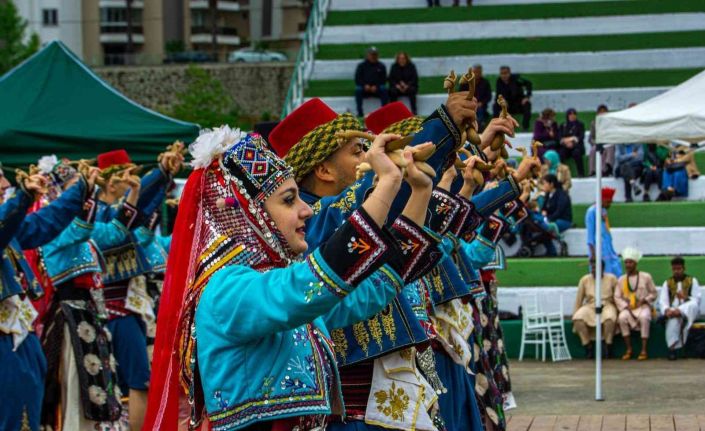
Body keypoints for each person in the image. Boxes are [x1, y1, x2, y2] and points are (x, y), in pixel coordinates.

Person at [145, 129, 411, 430]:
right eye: (288, 200)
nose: (306, 210)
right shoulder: (225, 289)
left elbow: (366, 296)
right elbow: (304, 288)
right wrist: (386, 186)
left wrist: (421, 191)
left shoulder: (272, 281)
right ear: (249, 216)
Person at [39, 161, 139, 430]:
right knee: (75, 386)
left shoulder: (84, 233)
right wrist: (90, 190)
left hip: (91, 317)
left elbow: (118, 231)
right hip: (70, 319)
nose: (78, 194)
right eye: (73, 188)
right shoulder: (54, 232)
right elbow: (80, 226)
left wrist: (135, 191)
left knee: (97, 383)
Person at [0, 166, 90, 431]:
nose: (6, 183)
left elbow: (41, 224)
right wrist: (23, 198)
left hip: (17, 335)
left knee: (26, 414)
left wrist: (80, 190)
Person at [615, 247, 658, 360]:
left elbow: (654, 293)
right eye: (626, 262)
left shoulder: (646, 276)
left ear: (635, 263)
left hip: (643, 306)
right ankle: (629, 349)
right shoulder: (621, 279)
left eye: (630, 262)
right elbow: (617, 297)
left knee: (644, 317)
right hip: (628, 308)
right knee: (621, 317)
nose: (628, 265)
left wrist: (644, 300)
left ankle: (644, 350)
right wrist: (625, 306)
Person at [572, 258, 618, 359]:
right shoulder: (584, 280)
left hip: (607, 305)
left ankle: (607, 346)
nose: (593, 270)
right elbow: (579, 298)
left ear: (602, 268)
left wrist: (619, 311)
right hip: (590, 306)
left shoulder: (612, 278)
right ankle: (588, 346)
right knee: (578, 318)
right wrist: (574, 313)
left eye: (596, 268)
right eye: (592, 268)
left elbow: (617, 297)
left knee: (609, 318)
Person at [657, 256, 702, 360]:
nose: (676, 272)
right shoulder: (667, 283)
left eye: (679, 269)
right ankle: (672, 349)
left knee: (693, 304)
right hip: (673, 311)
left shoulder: (692, 281)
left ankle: (678, 312)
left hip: (690, 311)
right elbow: (663, 301)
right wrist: (666, 310)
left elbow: (697, 299)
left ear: (683, 268)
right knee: (673, 319)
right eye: (674, 269)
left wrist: (685, 298)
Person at [585, 187, 621, 277]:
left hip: (608, 248)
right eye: (608, 202)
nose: (610, 205)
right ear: (602, 200)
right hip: (598, 250)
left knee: (616, 273)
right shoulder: (591, 212)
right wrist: (593, 254)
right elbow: (590, 236)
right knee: (602, 275)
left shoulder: (604, 211)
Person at [540, 174, 572, 256]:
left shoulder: (562, 195)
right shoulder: (548, 195)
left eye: (545, 183)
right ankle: (551, 250)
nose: (543, 186)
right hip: (551, 219)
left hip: (563, 220)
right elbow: (544, 208)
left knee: (549, 227)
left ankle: (554, 249)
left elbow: (559, 211)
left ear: (551, 184)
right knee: (541, 228)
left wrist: (548, 218)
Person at [494, 66, 532, 131]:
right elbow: (498, 94)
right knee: (495, 106)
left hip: (518, 102)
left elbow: (529, 84)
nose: (504, 76)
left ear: (509, 73)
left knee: (527, 105)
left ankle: (525, 127)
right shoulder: (499, 81)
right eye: (502, 74)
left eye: (505, 73)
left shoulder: (516, 79)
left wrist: (527, 97)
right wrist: (502, 101)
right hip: (507, 103)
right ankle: (496, 127)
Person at [354, 47, 388, 117]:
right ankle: (360, 112)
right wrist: (364, 85)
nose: (373, 56)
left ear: (377, 55)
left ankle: (384, 112)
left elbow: (384, 79)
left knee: (384, 89)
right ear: (367, 55)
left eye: (375, 55)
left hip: (377, 88)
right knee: (358, 89)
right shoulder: (361, 66)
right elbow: (358, 78)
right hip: (365, 88)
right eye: (371, 54)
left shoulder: (381, 66)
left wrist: (376, 86)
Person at [588, 105, 615, 177]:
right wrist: (595, 143)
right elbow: (591, 138)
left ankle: (608, 168)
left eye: (604, 111)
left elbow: (613, 135)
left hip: (608, 142)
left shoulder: (611, 123)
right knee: (593, 150)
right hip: (598, 142)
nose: (602, 113)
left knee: (609, 147)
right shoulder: (593, 123)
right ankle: (592, 171)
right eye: (601, 111)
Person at [558, 108, 586, 178]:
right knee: (561, 153)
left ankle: (581, 173)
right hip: (565, 146)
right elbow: (560, 138)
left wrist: (571, 141)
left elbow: (580, 137)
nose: (572, 116)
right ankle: (562, 174)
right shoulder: (563, 125)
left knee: (576, 153)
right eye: (570, 114)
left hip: (577, 146)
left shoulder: (580, 125)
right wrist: (570, 139)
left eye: (574, 114)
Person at [472, 64, 492, 129]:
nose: (476, 74)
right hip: (469, 105)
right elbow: (461, 95)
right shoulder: (466, 83)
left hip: (481, 106)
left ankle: (479, 126)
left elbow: (489, 96)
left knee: (480, 110)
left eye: (478, 72)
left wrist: (482, 103)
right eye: (475, 72)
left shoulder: (485, 83)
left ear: (481, 73)